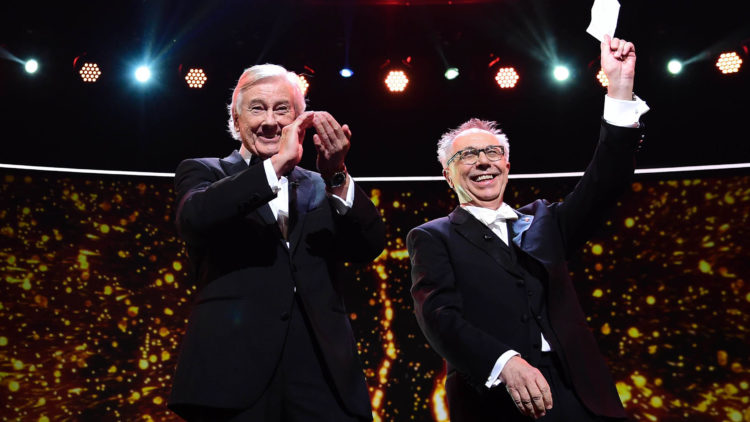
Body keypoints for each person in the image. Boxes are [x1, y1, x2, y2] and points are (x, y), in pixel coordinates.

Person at [406, 35, 649, 421]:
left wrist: (619, 87)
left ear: (507, 166)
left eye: (492, 153)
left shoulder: (545, 221)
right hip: (495, 395)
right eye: (467, 155)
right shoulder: (433, 236)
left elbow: (606, 180)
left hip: (576, 393)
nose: (483, 161)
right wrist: (504, 362)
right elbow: (439, 317)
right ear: (448, 175)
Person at [168, 63, 385, 421]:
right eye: (257, 108)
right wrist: (278, 164)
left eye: (282, 109)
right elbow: (194, 219)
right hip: (232, 372)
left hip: (323, 372)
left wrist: (336, 174)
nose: (270, 121)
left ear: (301, 120)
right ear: (236, 122)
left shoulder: (320, 184)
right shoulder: (205, 171)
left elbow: (369, 244)